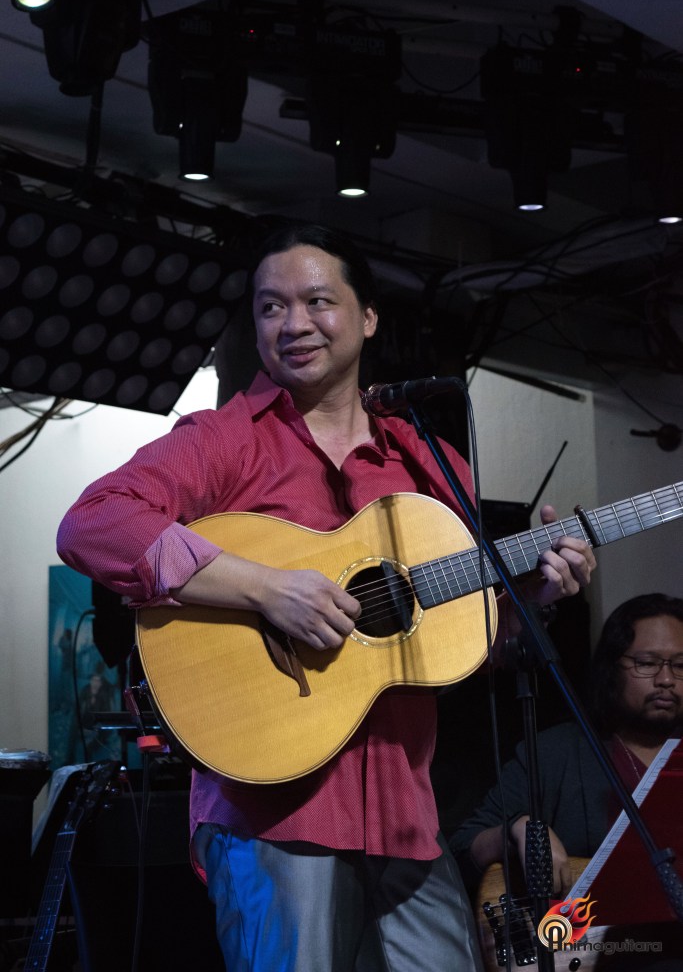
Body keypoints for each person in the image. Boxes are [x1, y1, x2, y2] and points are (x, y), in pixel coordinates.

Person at [56, 222, 596, 972]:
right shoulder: (224, 440)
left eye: (317, 301)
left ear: (367, 317)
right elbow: (93, 523)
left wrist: (531, 593)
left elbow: (473, 644)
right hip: (272, 808)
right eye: (270, 307)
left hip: (406, 813)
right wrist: (266, 588)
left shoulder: (426, 463)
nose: (293, 323)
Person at [451, 592, 683, 893]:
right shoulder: (556, 752)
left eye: (680, 665)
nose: (666, 679)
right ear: (611, 668)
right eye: (647, 663)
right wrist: (519, 830)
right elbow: (463, 847)